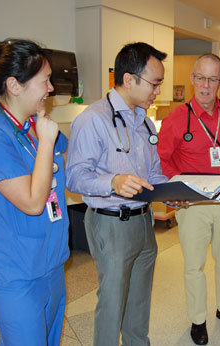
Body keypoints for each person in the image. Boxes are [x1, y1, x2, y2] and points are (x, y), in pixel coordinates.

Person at [0, 39, 69, 345]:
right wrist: (46, 142)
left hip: (49, 262)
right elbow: (35, 202)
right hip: (14, 272)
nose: (50, 88)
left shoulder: (33, 125)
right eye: (44, 81)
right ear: (14, 85)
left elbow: (74, 164)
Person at [66, 42, 168, 346]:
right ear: (128, 79)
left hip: (143, 222)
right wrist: (113, 181)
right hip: (110, 224)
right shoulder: (93, 119)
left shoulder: (144, 121)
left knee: (139, 300)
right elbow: (74, 177)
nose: (157, 91)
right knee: (112, 301)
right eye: (155, 83)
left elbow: (153, 174)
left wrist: (173, 191)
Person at [157, 54, 220, 345]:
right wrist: (181, 186)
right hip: (194, 204)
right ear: (192, 79)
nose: (205, 85)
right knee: (194, 264)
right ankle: (198, 319)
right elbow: (162, 161)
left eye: (213, 79)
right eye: (200, 77)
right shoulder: (176, 120)